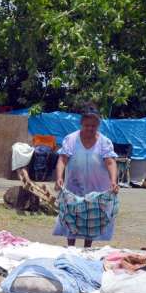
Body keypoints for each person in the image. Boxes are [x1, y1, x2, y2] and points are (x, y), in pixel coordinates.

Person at [53, 104, 119, 248]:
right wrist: (59, 177)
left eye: (93, 126)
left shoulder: (104, 142)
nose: (90, 128)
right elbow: (62, 159)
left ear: (98, 125)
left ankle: (87, 248)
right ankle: (71, 247)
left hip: (96, 188)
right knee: (73, 217)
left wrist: (113, 181)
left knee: (91, 219)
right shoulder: (71, 139)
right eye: (87, 125)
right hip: (74, 185)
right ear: (81, 123)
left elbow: (110, 162)